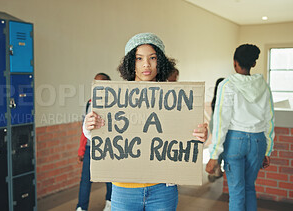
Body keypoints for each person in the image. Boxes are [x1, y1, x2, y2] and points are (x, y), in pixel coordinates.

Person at [83, 33, 208, 211]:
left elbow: (188, 133)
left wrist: (202, 134)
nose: (146, 64)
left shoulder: (176, 98)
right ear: (130, 63)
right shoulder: (114, 96)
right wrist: (89, 126)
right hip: (123, 189)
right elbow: (97, 136)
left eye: (153, 58)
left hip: (163, 189)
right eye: (139, 58)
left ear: (161, 61)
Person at [206, 44, 275, 211]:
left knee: (237, 192)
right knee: (249, 187)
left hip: (235, 142)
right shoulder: (264, 86)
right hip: (258, 142)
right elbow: (270, 120)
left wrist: (214, 154)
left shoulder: (227, 84)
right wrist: (267, 150)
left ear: (235, 62)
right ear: (253, 64)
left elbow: (222, 121)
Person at [76, 73, 112, 211]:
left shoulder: (114, 103)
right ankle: (81, 207)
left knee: (109, 179)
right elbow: (84, 129)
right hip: (91, 148)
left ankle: (109, 202)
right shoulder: (90, 103)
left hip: (108, 147)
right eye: (95, 83)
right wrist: (81, 150)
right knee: (85, 179)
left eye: (101, 83)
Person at [207, 77, 225, 182]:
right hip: (218, 126)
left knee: (217, 146)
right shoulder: (221, 99)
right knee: (219, 147)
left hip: (214, 125)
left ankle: (217, 170)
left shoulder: (215, 98)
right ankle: (216, 170)